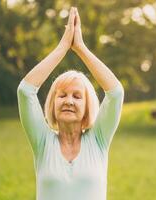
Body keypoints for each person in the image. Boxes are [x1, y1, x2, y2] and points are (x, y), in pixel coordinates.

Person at [17, 6, 124, 200]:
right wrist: (63, 47)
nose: (68, 101)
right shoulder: (42, 142)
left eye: (77, 96)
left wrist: (80, 48)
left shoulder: (98, 140)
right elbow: (25, 91)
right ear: (52, 103)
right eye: (62, 95)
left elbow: (115, 93)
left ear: (86, 107)